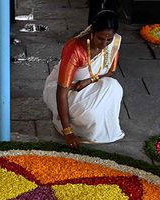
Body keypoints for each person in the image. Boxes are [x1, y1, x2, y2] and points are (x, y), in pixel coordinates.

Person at [42, 10, 124, 149]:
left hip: (87, 85)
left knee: (114, 87)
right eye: (100, 38)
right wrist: (67, 132)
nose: (105, 43)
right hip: (67, 90)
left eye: (108, 39)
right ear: (92, 31)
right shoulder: (75, 49)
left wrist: (89, 80)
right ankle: (66, 122)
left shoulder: (113, 43)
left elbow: (109, 73)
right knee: (89, 116)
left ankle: (97, 123)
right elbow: (61, 91)